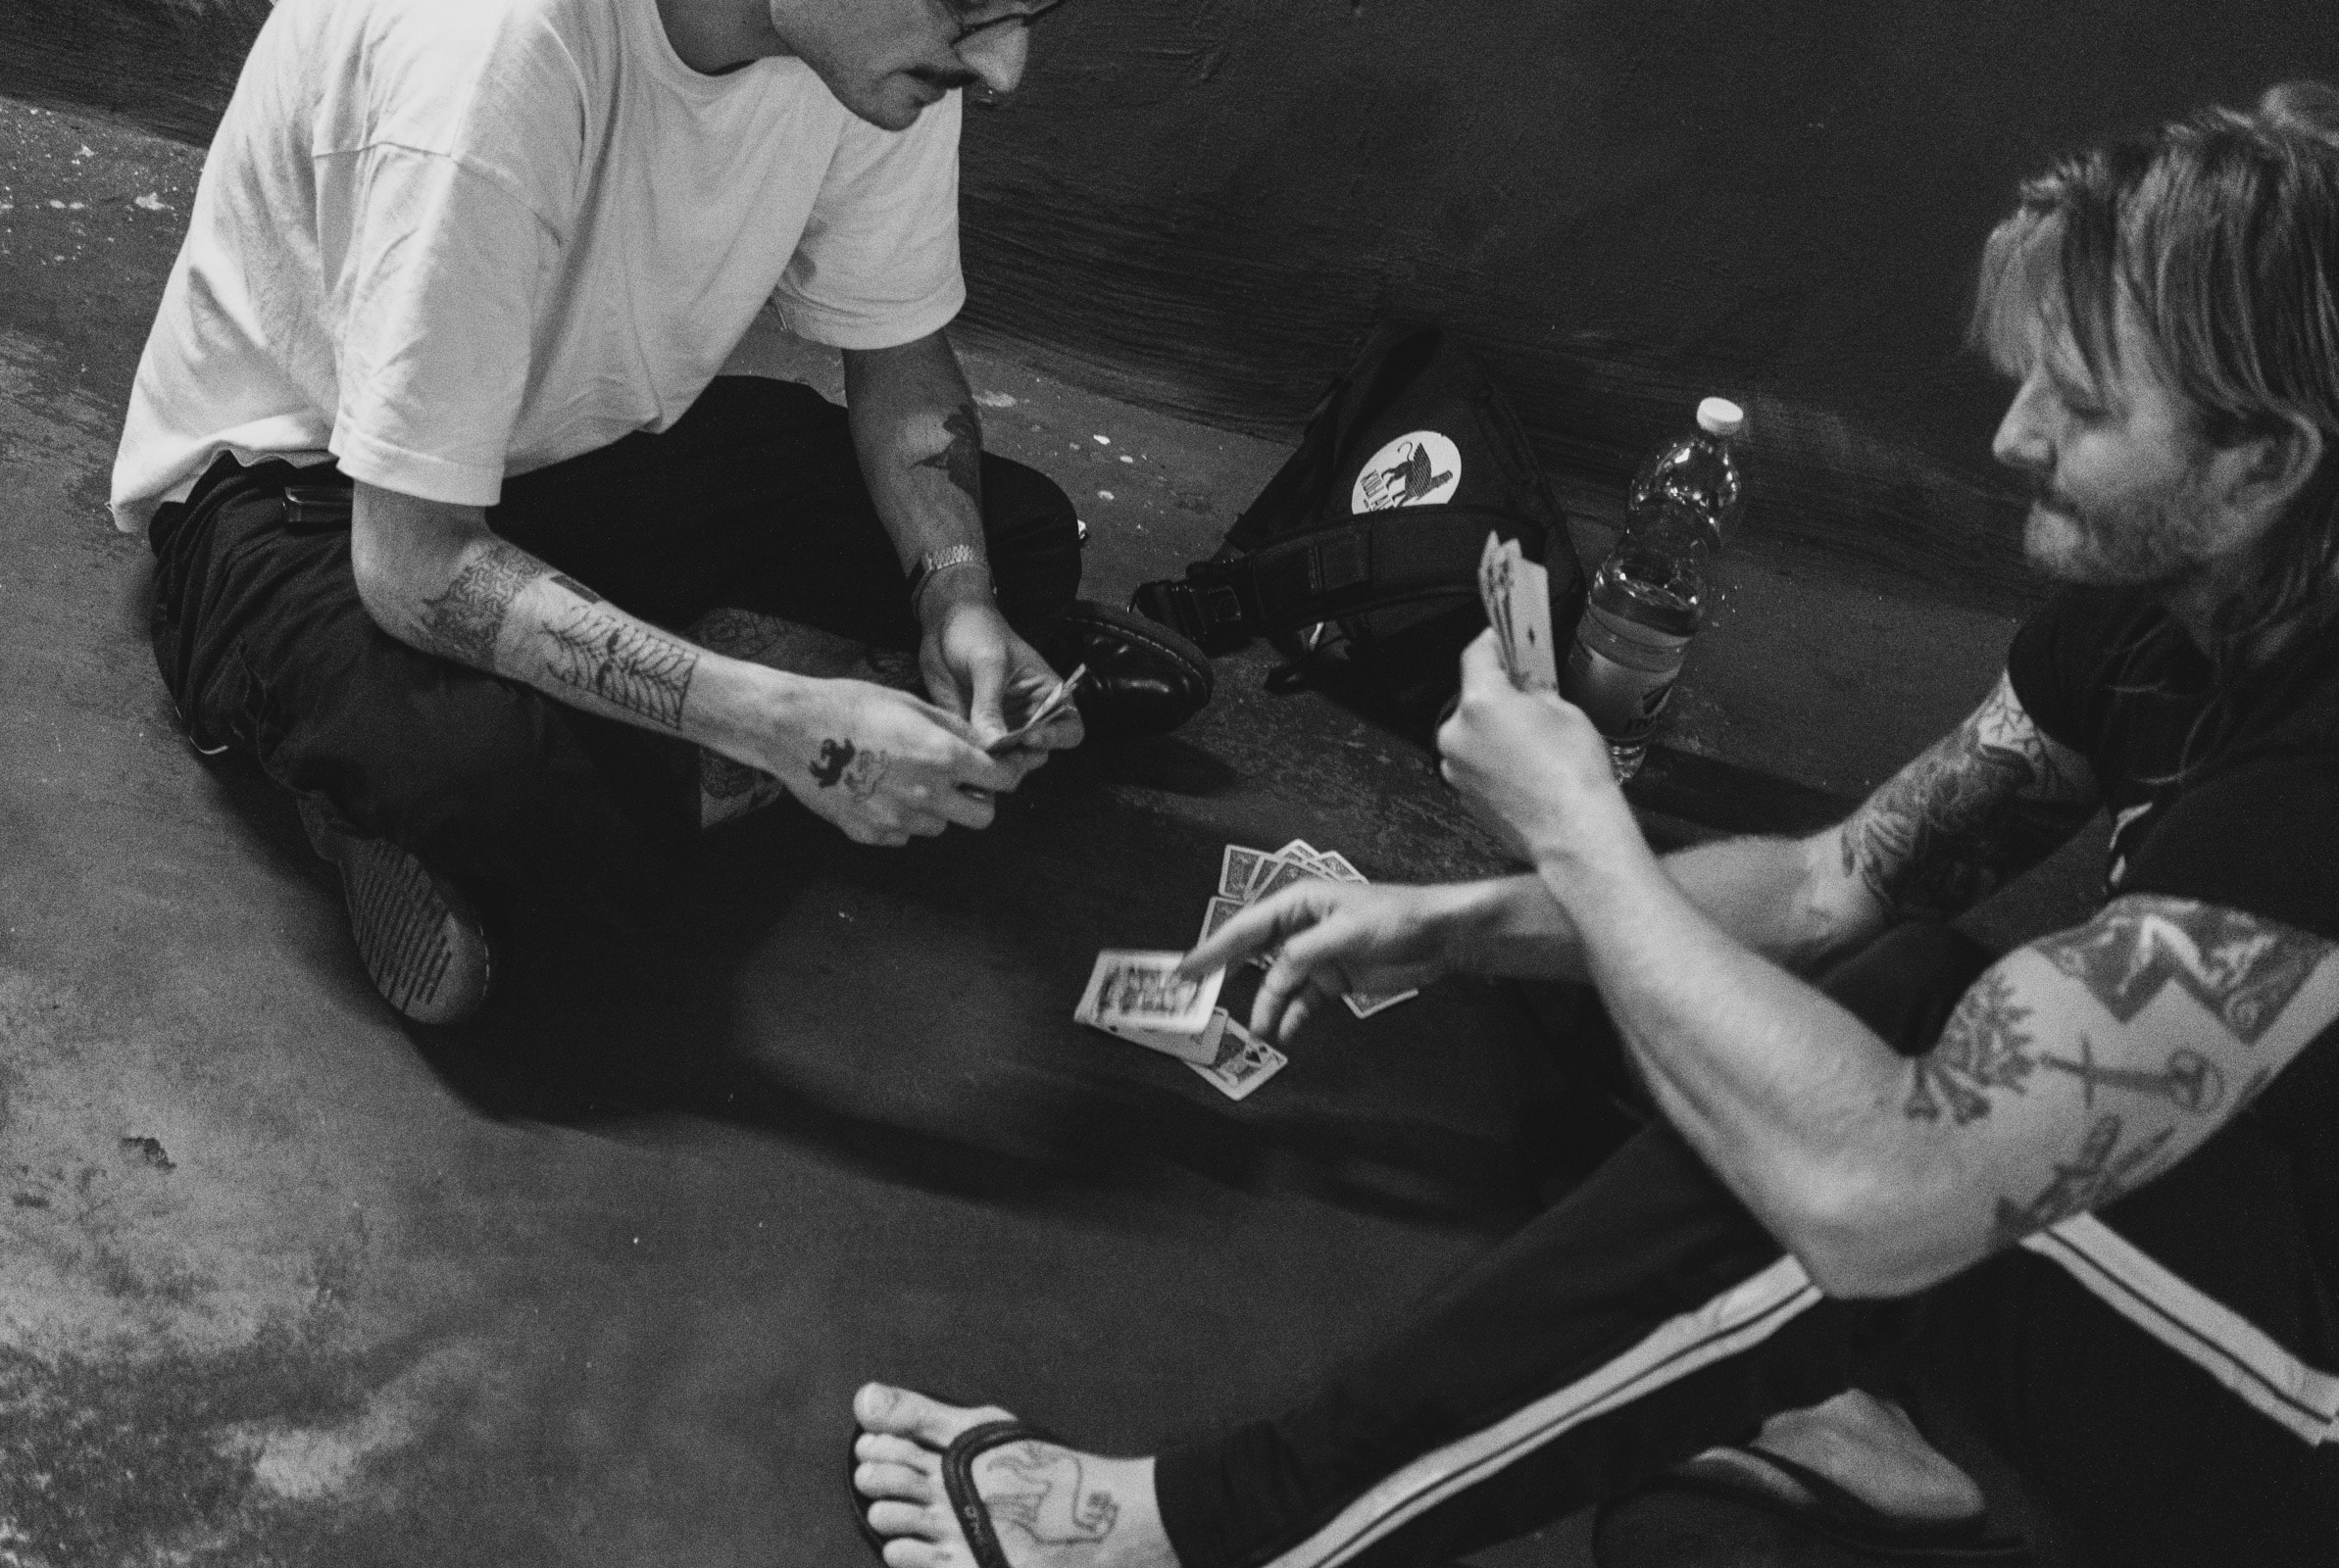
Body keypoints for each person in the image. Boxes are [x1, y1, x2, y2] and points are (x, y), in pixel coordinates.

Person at [848, 84, 2339, 1568]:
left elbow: (1875, 1195)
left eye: (2082, 408)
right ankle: (1848, 1404)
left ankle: (1210, 1534)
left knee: (1878, 1108)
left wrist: (1573, 827)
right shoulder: (2162, 620)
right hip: (2238, 1218)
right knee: (1866, 986)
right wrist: (1457, 926)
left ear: (2263, 463)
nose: (2012, 437)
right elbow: (1842, 881)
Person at [114, 0, 1209, 1026]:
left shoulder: (873, 48)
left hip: (567, 449)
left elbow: (902, 362)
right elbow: (411, 560)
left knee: (1012, 535)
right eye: (969, 2)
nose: (1002, 66)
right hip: (313, 495)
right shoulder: (492, 56)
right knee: (500, 787)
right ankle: (395, 788)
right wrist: (786, 726)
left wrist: (957, 599)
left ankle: (639, 743)